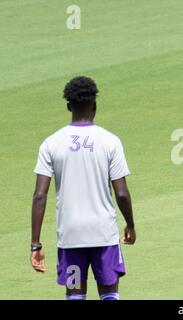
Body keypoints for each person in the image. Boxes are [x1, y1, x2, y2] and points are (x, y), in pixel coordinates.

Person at [30, 76, 136, 300]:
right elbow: (122, 193)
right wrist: (130, 224)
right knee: (109, 294)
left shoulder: (51, 143)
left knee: (75, 295)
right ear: (94, 105)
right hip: (103, 234)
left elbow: (40, 196)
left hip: (70, 236)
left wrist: (35, 244)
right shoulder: (110, 141)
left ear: (69, 106)